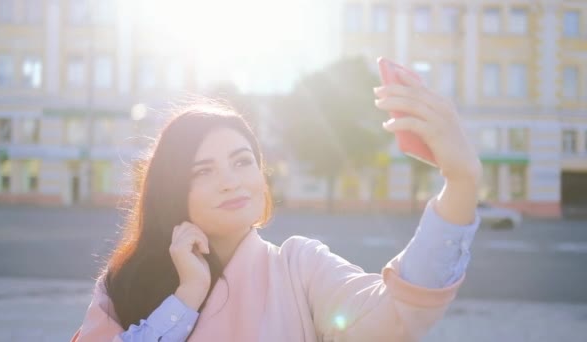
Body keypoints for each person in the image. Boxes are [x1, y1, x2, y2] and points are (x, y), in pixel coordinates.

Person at [72, 67, 482, 341]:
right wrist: (186, 297)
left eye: (242, 161)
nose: (231, 182)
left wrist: (461, 183)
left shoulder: (299, 266)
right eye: (203, 171)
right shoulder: (124, 282)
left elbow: (398, 316)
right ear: (171, 190)